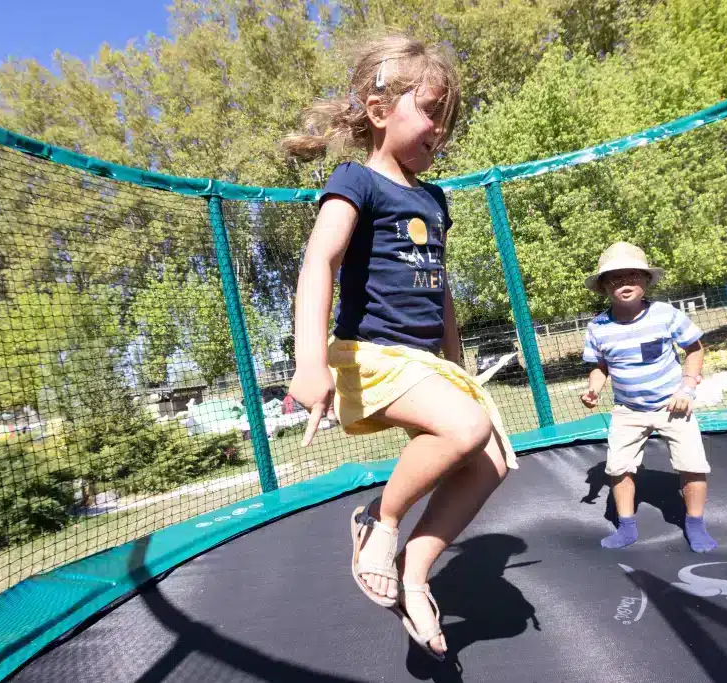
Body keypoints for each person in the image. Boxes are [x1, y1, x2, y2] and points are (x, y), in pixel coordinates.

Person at [282, 34, 517, 661]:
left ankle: (414, 577)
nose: (440, 129)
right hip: (369, 356)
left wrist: (455, 366)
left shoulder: (433, 198)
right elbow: (319, 264)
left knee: (490, 459)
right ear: (380, 108)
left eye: (448, 119)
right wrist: (309, 362)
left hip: (423, 362)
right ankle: (379, 528)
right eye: (431, 111)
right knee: (466, 430)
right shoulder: (354, 180)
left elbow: (439, 293)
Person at [579, 242, 717, 553]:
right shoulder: (598, 327)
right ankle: (626, 527)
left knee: (692, 465)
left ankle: (695, 524)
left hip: (673, 405)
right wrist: (594, 389)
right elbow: (601, 367)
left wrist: (687, 388)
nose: (624, 284)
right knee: (617, 468)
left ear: (646, 281)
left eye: (632, 276)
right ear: (603, 286)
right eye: (614, 278)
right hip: (628, 410)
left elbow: (694, 350)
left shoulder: (665, 315)